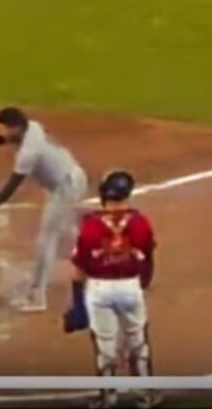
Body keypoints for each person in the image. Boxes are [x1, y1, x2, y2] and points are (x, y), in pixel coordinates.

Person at [0, 106, 88, 312]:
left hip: (66, 187)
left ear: (16, 128)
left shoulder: (30, 151)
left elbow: (10, 187)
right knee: (66, 231)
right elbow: (1, 139)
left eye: (5, 128)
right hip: (69, 176)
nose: (2, 132)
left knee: (47, 239)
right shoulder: (32, 127)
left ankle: (37, 297)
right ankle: (95, 257)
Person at [65, 170, 161, 408]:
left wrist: (77, 302)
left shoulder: (90, 226)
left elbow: (78, 268)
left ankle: (107, 397)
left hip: (99, 289)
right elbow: (148, 258)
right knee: (137, 341)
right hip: (130, 286)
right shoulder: (140, 222)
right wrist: (142, 284)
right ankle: (146, 394)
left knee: (105, 345)